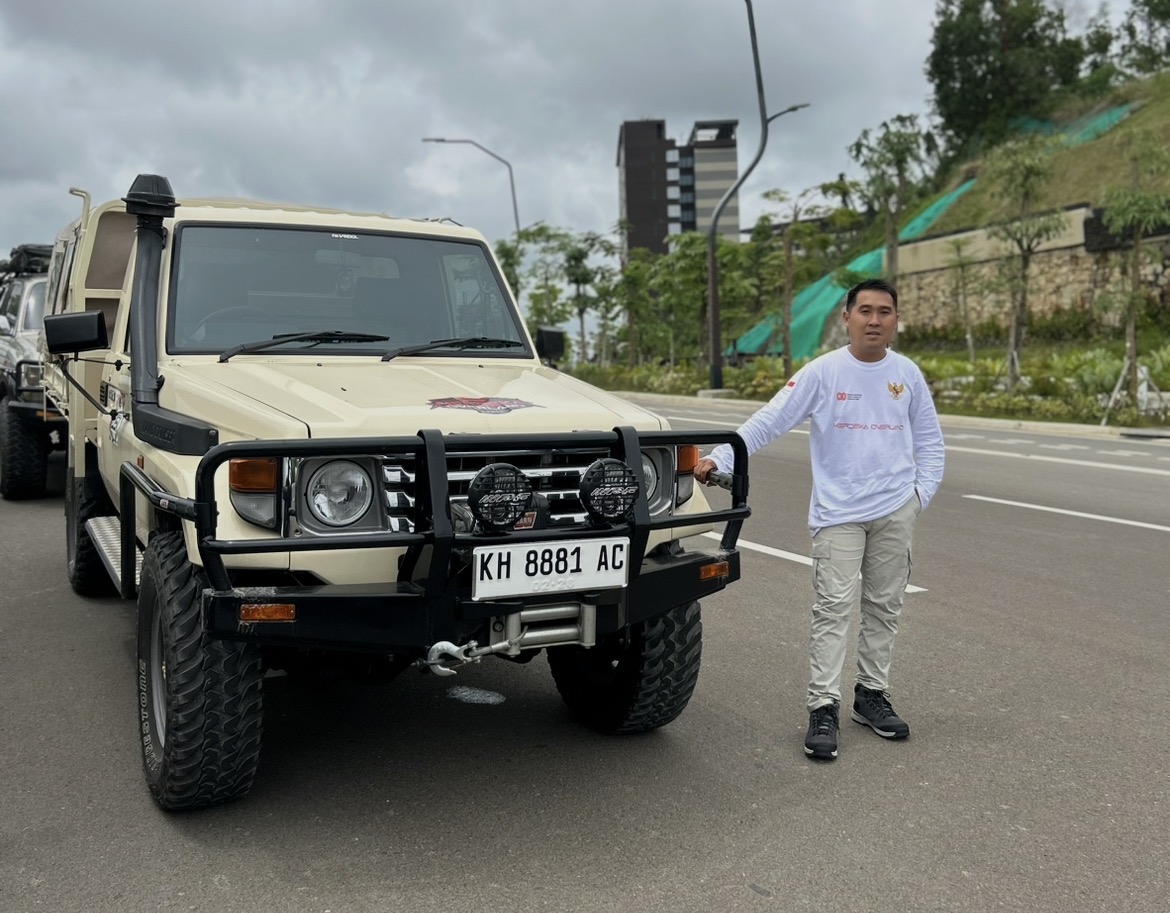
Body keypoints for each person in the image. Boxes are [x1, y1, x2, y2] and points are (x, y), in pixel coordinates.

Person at [695, 278, 944, 762]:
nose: (875, 320)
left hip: (895, 510)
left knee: (885, 607)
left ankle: (871, 696)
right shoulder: (824, 372)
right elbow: (770, 419)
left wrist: (918, 498)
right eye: (865, 310)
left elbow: (931, 443)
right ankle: (823, 707)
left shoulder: (907, 373)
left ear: (896, 320)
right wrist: (720, 457)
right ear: (846, 317)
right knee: (833, 609)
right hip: (838, 513)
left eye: (885, 311)